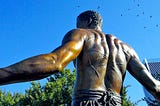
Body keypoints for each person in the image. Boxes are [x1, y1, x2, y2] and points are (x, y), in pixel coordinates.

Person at [0, 10, 160, 106]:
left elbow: (55, 62)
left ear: (88, 21)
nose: (77, 27)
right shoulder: (126, 49)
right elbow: (155, 87)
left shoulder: (82, 35)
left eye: (78, 23)